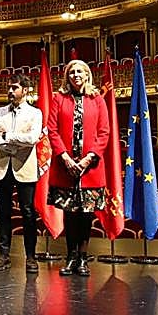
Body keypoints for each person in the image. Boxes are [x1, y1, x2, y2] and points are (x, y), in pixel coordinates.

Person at [46, 60, 111, 277]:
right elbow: (52, 130)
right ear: (67, 76)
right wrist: (65, 158)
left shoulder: (97, 99)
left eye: (80, 71)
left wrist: (87, 159)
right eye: (71, 72)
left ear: (87, 75)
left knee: (86, 216)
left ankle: (83, 258)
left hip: (90, 170)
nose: (75, 75)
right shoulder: (59, 99)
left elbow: (104, 133)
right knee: (69, 214)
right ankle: (71, 256)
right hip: (65, 168)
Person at [0, 74, 42, 273]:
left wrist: (8, 136)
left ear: (25, 90)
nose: (10, 91)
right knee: (3, 212)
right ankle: (4, 255)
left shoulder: (35, 113)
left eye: (14, 87)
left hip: (25, 168)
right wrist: (13, 143)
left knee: (28, 213)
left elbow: (33, 138)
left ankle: (30, 257)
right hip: (2, 167)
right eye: (9, 87)